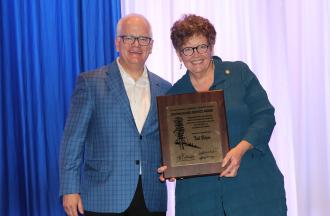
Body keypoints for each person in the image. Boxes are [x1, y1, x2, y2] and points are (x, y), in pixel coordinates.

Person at [158, 14, 287, 216]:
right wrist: (171, 167)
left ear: (212, 45)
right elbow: (173, 146)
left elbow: (265, 116)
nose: (196, 54)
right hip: (200, 199)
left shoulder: (238, 73)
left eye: (202, 46)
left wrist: (240, 150)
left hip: (254, 188)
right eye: (187, 49)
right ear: (178, 53)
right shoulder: (174, 95)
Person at [59, 14, 171, 216]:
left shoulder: (164, 88)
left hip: (152, 198)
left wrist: (174, 165)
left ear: (151, 45)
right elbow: (72, 141)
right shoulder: (91, 83)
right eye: (129, 38)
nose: (136, 44)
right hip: (104, 197)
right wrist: (69, 189)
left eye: (143, 39)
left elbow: (168, 141)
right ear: (117, 42)